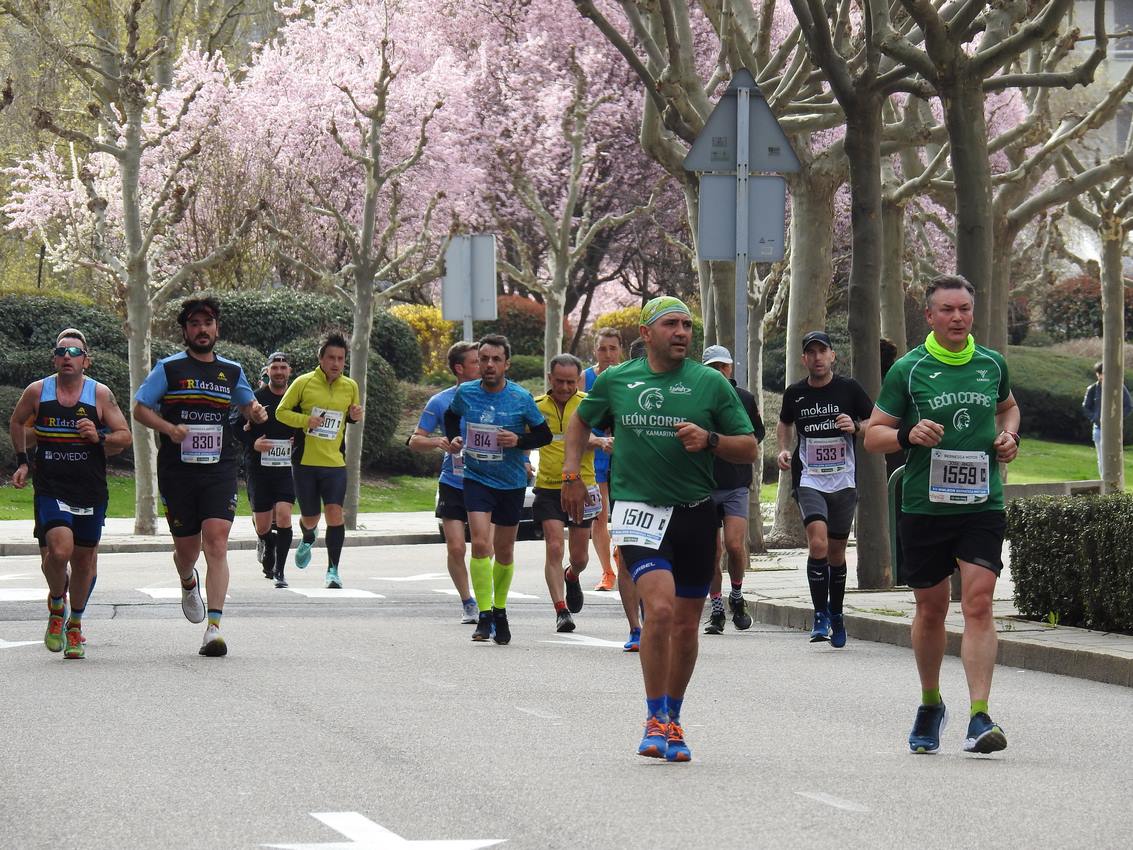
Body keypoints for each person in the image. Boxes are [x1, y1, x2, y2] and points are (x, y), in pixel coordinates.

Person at [561, 296, 757, 762]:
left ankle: (673, 715)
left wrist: (710, 440)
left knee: (687, 623)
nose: (682, 332)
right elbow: (579, 421)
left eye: (688, 325)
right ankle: (652, 717)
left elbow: (748, 447)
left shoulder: (710, 383)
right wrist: (572, 474)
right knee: (662, 610)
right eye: (671, 324)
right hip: (638, 512)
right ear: (646, 333)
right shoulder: (617, 380)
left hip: (694, 512)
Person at [864, 274, 1020, 755]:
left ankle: (979, 715)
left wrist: (1009, 437)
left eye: (964, 310)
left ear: (973, 314)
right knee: (931, 609)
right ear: (929, 316)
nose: (957, 318)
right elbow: (873, 435)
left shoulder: (991, 364)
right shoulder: (909, 370)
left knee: (978, 602)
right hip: (924, 506)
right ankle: (931, 703)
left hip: (981, 504)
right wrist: (909, 435)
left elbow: (1009, 409)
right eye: (947, 310)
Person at [133, 297, 268, 657]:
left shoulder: (231, 371)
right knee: (186, 551)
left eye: (208, 323)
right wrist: (168, 428)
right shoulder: (169, 369)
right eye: (195, 324)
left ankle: (215, 628)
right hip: (178, 471)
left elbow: (248, 406)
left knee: (217, 541)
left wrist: (255, 411)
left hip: (219, 467)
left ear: (217, 328)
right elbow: (140, 408)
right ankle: (186, 580)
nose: (202, 329)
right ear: (186, 331)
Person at [9, 328, 132, 659]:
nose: (67, 357)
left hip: (90, 489)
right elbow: (17, 423)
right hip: (51, 486)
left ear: (86, 361)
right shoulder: (38, 391)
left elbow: (125, 436)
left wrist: (100, 437)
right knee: (59, 550)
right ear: (54, 358)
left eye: (74, 352)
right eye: (61, 351)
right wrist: (22, 462)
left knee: (83, 561)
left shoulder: (100, 395)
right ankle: (55, 605)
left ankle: (74, 624)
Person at [443, 334, 552, 644]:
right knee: (479, 544)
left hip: (511, 482)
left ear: (507, 364)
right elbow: (451, 415)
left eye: (495, 360)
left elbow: (543, 435)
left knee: (504, 551)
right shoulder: (466, 393)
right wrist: (455, 439)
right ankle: (485, 614)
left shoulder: (521, 398)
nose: (488, 365)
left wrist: (518, 441)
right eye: (483, 359)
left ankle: (501, 610)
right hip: (476, 477)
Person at [777, 331, 874, 648]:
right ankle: (819, 614)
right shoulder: (795, 393)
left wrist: (856, 427)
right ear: (803, 359)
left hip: (843, 481)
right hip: (809, 479)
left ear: (833, 356)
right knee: (817, 543)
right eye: (811, 353)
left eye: (823, 351)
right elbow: (785, 423)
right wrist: (782, 449)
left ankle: (837, 614)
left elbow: (877, 424)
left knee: (835, 553)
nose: (817, 357)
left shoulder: (849, 389)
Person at [274, 332, 363, 590]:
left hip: (335, 463)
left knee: (336, 514)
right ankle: (308, 535)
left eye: (341, 359)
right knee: (311, 516)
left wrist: (355, 415)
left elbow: (351, 416)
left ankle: (333, 570)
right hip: (305, 463)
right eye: (331, 358)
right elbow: (281, 412)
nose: (336, 363)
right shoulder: (303, 383)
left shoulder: (350, 386)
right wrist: (305, 421)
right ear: (321, 358)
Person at [408, 341, 482, 624]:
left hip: (486, 482)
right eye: (476, 361)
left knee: (483, 547)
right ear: (459, 368)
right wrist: (438, 442)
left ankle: (487, 598)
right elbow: (415, 440)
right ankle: (468, 602)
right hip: (453, 481)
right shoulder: (440, 401)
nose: (483, 365)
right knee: (456, 547)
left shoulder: (493, 398)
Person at [699, 345, 766, 635]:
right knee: (712, 552)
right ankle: (716, 608)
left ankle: (736, 595)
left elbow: (757, 434)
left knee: (735, 546)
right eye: (712, 368)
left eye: (722, 367)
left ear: (730, 369)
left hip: (736, 482)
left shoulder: (744, 399)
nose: (718, 373)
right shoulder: (696, 399)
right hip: (704, 485)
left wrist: (728, 442)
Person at [534, 354, 602, 633]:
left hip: (582, 489)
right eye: (560, 381)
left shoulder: (588, 404)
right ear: (550, 378)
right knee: (553, 546)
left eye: (570, 382)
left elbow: (606, 431)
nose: (564, 388)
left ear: (578, 380)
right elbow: (525, 437)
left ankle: (571, 576)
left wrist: (599, 441)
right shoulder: (536, 406)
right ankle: (561, 611)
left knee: (580, 558)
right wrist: (524, 458)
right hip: (549, 487)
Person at [237, 351, 300, 589]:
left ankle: (280, 571)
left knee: (284, 516)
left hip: (286, 468)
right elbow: (235, 426)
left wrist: (298, 440)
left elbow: (305, 424)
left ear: (289, 372)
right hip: (258, 468)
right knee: (263, 526)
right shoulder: (254, 399)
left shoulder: (296, 399)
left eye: (283, 368)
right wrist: (253, 442)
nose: (279, 372)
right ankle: (266, 543)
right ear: (268, 371)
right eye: (275, 367)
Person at [583, 328, 622, 591]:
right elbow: (578, 416)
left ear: (620, 349)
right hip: (594, 453)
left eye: (612, 348)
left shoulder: (630, 375)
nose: (607, 354)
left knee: (624, 512)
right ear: (594, 351)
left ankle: (622, 552)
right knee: (599, 515)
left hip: (624, 454)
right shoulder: (584, 378)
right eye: (602, 349)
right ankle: (607, 571)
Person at [1081, 361, 1132, 478]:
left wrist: (1117, 418)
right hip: (1099, 429)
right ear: (1098, 375)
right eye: (1102, 373)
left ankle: (1116, 483)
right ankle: (1104, 483)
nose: (1104, 376)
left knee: (1115, 457)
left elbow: (1128, 405)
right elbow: (1086, 407)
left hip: (1114, 429)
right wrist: (1095, 418)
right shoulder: (1093, 389)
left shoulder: (1119, 387)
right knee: (1102, 458)